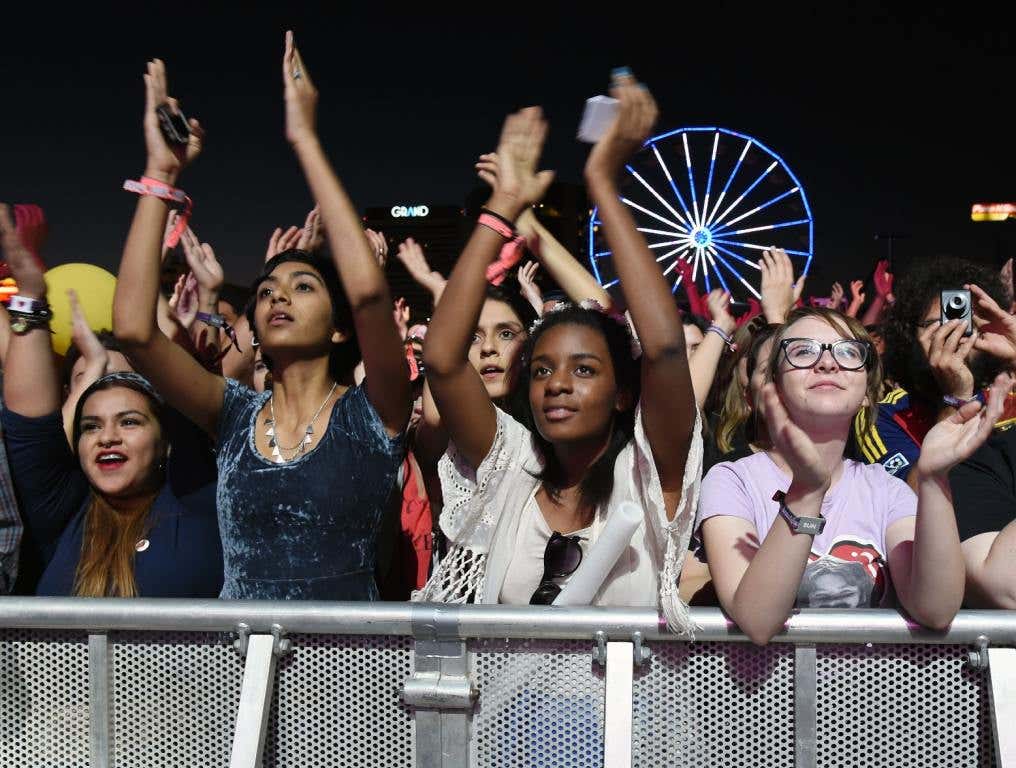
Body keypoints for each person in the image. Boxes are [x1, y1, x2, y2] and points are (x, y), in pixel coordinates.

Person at [112, 36, 410, 600]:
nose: (278, 296)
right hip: (239, 672)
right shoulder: (230, 414)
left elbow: (370, 296)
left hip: (349, 676)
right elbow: (131, 330)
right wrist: (160, 175)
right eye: (268, 289)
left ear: (339, 327)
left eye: (303, 286)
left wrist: (305, 138)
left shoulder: (375, 412)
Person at [417, 72, 701, 634]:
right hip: (507, 720)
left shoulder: (648, 471)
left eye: (585, 369)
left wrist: (601, 183)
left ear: (623, 392)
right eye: (542, 369)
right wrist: (499, 212)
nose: (558, 383)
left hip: (627, 722)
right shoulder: (510, 464)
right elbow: (445, 360)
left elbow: (665, 349)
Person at [697, 307, 1008, 643]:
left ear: (866, 394)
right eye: (803, 351)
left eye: (848, 352)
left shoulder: (886, 489)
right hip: (767, 694)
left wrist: (935, 480)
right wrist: (806, 492)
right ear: (774, 386)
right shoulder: (732, 480)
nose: (827, 363)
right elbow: (757, 620)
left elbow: (935, 608)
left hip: (875, 694)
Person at [0, 204, 221, 597]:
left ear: (167, 441)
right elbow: (28, 423)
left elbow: (185, 382)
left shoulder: (197, 496)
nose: (107, 437)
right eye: (91, 426)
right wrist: (30, 295)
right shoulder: (62, 510)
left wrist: (159, 179)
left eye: (130, 421)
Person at [856, 258, 1014, 482]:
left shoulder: (1007, 404)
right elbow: (911, 501)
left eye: (966, 326)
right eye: (938, 326)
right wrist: (955, 399)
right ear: (909, 337)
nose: (955, 338)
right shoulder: (883, 417)